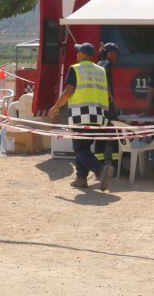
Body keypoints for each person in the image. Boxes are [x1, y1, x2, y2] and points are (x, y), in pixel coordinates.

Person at [47, 43, 114, 191]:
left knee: (79, 148)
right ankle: (81, 179)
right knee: (84, 147)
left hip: (81, 116)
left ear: (83, 54)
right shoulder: (101, 70)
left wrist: (56, 107)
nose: (76, 55)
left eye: (78, 52)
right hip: (99, 116)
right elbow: (109, 94)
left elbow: (69, 91)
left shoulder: (76, 69)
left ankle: (101, 170)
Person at [93, 43, 120, 170]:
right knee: (115, 134)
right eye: (115, 53)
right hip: (107, 106)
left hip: (100, 106)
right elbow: (103, 74)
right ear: (109, 53)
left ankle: (100, 165)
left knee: (101, 136)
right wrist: (109, 93)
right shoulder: (105, 63)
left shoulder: (98, 62)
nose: (116, 56)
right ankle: (115, 166)